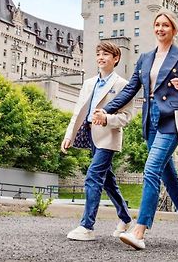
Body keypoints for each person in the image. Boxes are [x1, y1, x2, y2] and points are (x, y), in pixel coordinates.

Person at [94, 11, 178, 250]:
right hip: (149, 121)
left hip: (170, 121)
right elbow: (130, 90)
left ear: (174, 30)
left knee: (151, 170)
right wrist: (106, 111)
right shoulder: (144, 58)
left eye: (165, 25)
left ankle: (139, 231)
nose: (160, 28)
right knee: (170, 180)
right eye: (157, 24)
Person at [61, 42, 134, 241]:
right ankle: (126, 217)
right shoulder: (88, 83)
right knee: (108, 182)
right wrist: (69, 135)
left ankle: (87, 226)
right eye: (98, 54)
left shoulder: (122, 85)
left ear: (116, 58)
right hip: (90, 136)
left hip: (108, 138)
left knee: (93, 176)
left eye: (106, 54)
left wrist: (107, 119)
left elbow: (127, 117)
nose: (101, 57)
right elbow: (78, 112)